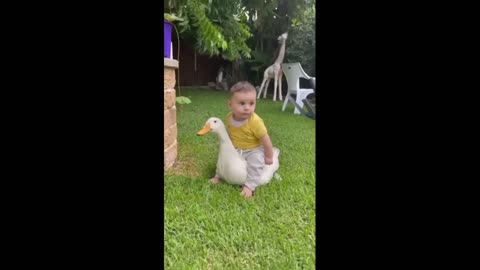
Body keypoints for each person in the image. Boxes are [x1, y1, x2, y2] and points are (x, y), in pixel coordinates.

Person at [210, 81, 275, 198]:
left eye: (251, 103)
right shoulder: (229, 118)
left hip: (253, 149)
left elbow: (266, 139)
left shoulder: (255, 122)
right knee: (224, 156)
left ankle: (250, 185)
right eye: (242, 103)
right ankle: (219, 175)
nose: (247, 108)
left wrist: (269, 156)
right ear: (230, 105)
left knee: (255, 163)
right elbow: (230, 134)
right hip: (236, 147)